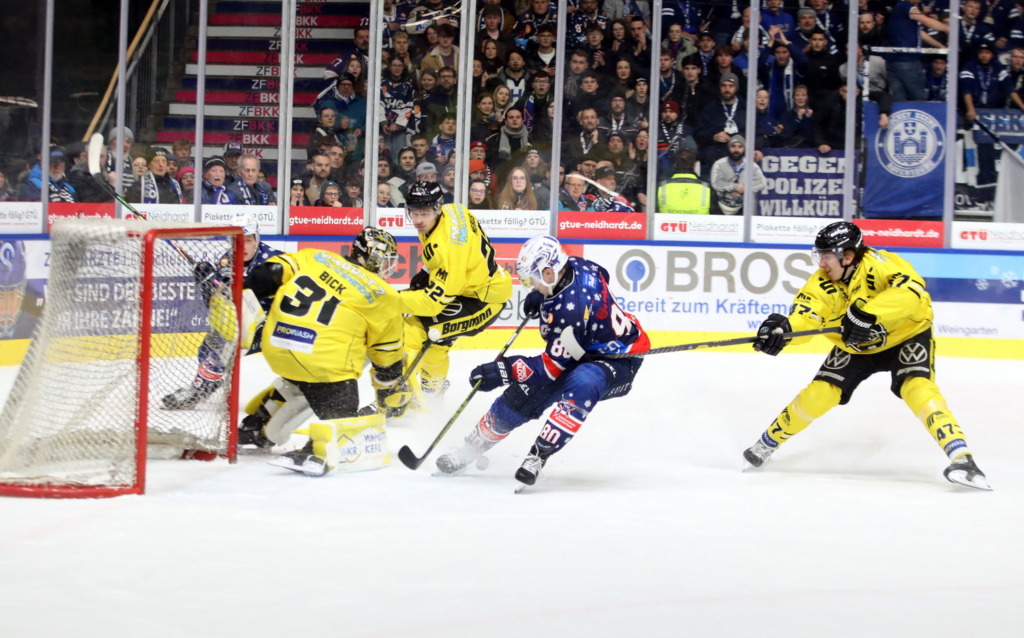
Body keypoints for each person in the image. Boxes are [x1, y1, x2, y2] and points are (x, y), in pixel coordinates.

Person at [744, 222, 990, 491]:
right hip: (856, 346)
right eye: (819, 256)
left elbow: (912, 292)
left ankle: (962, 459)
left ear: (848, 256)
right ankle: (766, 444)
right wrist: (785, 331)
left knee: (918, 389)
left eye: (827, 256)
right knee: (819, 394)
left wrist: (869, 313)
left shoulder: (881, 264)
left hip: (907, 335)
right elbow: (808, 315)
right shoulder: (821, 282)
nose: (821, 263)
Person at [434, 235, 650, 487]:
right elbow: (603, 275)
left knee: (583, 381)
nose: (531, 285)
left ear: (549, 273)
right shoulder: (577, 265)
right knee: (524, 394)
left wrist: (503, 370)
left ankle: (538, 456)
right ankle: (471, 448)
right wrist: (547, 296)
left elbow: (547, 369)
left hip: (618, 360)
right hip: (580, 346)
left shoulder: (570, 312)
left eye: (532, 280)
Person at [238, 228, 407, 476]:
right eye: (387, 259)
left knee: (305, 380)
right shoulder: (384, 295)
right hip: (321, 363)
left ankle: (258, 426)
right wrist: (389, 392)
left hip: (277, 346)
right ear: (376, 257)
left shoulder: (317, 256)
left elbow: (268, 273)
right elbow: (387, 354)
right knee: (341, 404)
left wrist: (238, 290)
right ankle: (319, 449)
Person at [400, 181, 512, 399]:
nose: (419, 219)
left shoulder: (448, 249)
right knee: (438, 340)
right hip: (476, 286)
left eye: (425, 213)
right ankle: (433, 393)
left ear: (438, 208)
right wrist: (429, 271)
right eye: (414, 212)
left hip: (483, 301)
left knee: (412, 328)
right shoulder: (454, 209)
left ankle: (401, 399)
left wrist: (391, 300)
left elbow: (432, 304)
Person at [162, 212, 283, 410]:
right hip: (248, 324)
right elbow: (218, 305)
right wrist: (207, 283)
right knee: (207, 347)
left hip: (276, 325)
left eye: (248, 240)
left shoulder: (274, 261)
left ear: (257, 240)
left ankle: (199, 389)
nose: (242, 246)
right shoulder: (227, 261)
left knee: (223, 346)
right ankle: (207, 383)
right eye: (237, 240)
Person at [710, 135, 766, 214]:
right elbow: (716, 183)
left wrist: (744, 189)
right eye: (733, 146)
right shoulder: (719, 164)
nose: (736, 150)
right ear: (728, 148)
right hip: (720, 207)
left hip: (743, 208)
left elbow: (762, 183)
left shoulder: (752, 165)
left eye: (740, 147)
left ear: (744, 149)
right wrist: (735, 187)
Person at [656, 148, 711, 213]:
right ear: (694, 165)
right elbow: (715, 214)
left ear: (675, 164)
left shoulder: (661, 186)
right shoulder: (706, 187)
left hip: (667, 220)